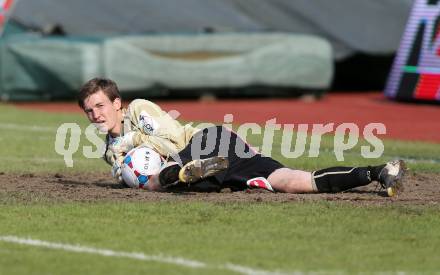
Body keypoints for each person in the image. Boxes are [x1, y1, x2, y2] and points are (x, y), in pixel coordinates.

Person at [78, 77, 406, 196]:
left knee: (154, 184)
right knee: (290, 181)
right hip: (220, 159)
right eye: (89, 111)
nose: (96, 115)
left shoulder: (138, 111)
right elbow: (127, 176)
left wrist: (135, 143)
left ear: (117, 103)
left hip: (207, 143)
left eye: (101, 106)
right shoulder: (111, 150)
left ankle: (186, 174)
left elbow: (176, 141)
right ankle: (377, 172)